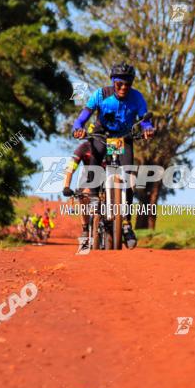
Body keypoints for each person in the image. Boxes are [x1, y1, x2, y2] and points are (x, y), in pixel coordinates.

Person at [72, 63, 154, 249]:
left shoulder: (137, 97)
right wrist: (78, 128)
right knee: (95, 158)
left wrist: (148, 129)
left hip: (124, 139)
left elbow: (145, 120)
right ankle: (93, 196)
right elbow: (83, 116)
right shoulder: (100, 95)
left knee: (130, 179)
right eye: (119, 84)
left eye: (128, 84)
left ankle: (126, 223)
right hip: (102, 136)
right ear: (113, 82)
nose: (124, 88)